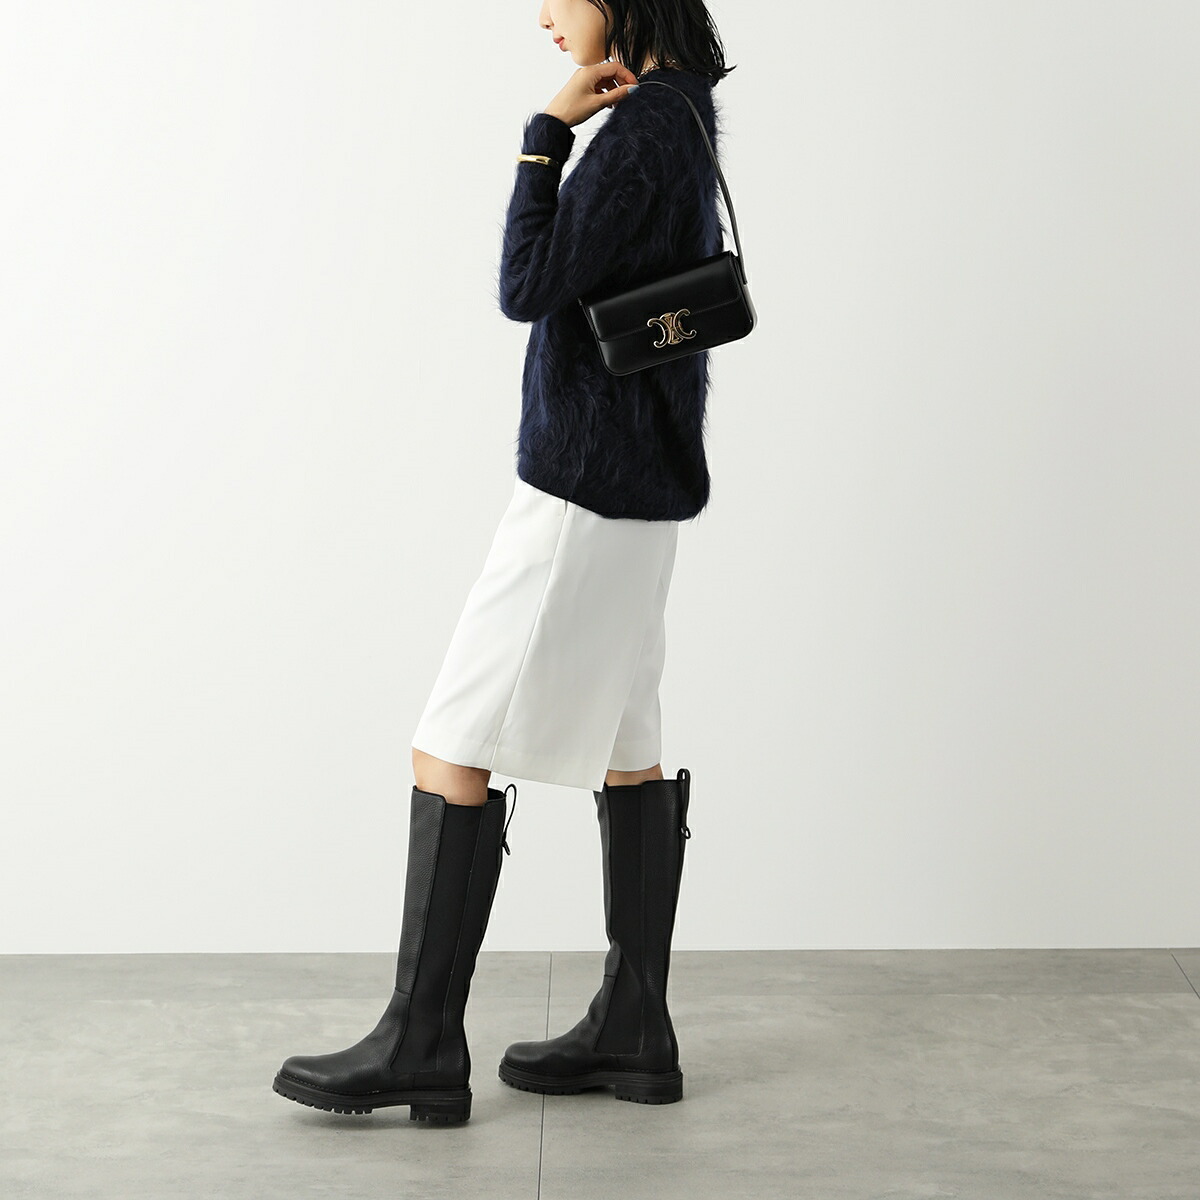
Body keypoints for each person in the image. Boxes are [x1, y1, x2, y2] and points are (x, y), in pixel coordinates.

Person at [272, 0, 735, 1124]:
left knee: (452, 738)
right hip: (643, 487)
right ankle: (635, 1027)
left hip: (582, 489)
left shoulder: (640, 130)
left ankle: (422, 1041)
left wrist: (544, 135)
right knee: (629, 743)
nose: (542, 15)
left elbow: (527, 285)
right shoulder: (684, 112)